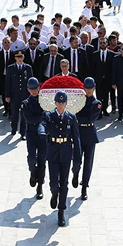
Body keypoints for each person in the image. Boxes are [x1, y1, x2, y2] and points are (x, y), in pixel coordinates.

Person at [38, 91, 82, 227]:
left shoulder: (71, 117)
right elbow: (42, 124)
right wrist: (41, 131)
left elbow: (76, 138)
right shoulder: (49, 115)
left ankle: (61, 212)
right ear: (55, 103)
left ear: (66, 103)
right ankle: (54, 194)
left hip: (65, 152)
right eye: (58, 102)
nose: (61, 105)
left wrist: (77, 158)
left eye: (63, 102)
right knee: (53, 182)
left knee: (64, 183)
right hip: (53, 152)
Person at [21, 77, 47, 200]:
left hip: (42, 134)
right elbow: (28, 118)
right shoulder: (25, 103)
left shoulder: (44, 102)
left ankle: (40, 187)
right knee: (32, 157)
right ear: (28, 90)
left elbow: (46, 115)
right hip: (31, 133)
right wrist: (40, 118)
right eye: (32, 89)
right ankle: (32, 172)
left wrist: (41, 119)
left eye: (36, 88)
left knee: (42, 160)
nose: (34, 91)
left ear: (39, 88)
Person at [75, 77, 100, 200]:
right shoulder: (79, 101)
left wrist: (78, 118)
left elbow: (90, 118)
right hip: (79, 134)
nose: (89, 90)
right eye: (87, 88)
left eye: (91, 88)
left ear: (94, 89)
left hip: (89, 134)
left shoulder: (97, 103)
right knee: (77, 160)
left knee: (88, 163)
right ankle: (75, 175)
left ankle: (84, 186)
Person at [5, 51, 33, 137]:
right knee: (14, 114)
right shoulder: (10, 68)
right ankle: (13, 129)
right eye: (18, 57)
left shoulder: (28, 68)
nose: (19, 59)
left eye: (21, 57)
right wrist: (7, 95)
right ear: (15, 58)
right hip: (14, 95)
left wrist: (31, 93)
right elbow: (8, 82)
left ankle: (22, 132)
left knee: (24, 114)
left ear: (23, 58)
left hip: (25, 94)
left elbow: (31, 81)